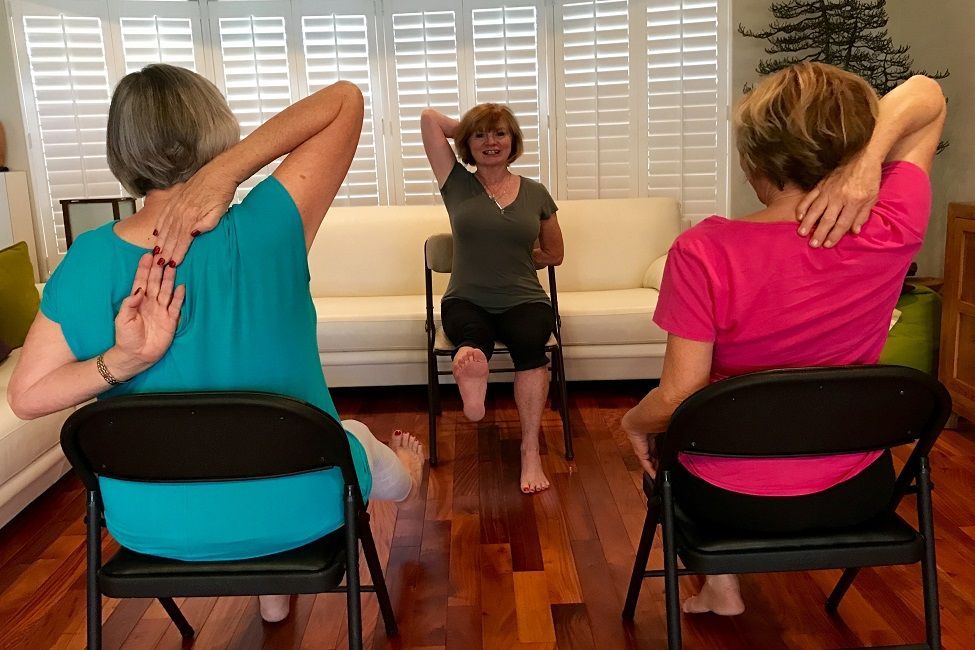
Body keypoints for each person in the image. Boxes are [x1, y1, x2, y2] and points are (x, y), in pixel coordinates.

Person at [7, 64, 424, 624]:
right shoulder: (271, 223)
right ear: (216, 132)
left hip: (151, 521)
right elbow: (344, 100)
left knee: (282, 441)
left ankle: (273, 599)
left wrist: (120, 362)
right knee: (350, 438)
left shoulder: (86, 260)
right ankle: (407, 474)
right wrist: (231, 169)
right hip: (298, 502)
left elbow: (26, 396)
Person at [622, 63, 946, 616]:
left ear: (754, 160)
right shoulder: (891, 221)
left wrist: (628, 423)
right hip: (855, 492)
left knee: (665, 442)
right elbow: (928, 96)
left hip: (729, 503)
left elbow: (678, 396)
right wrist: (867, 160)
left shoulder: (704, 252)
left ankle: (720, 588)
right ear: (852, 149)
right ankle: (722, 591)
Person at [420, 104, 564, 494]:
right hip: (467, 297)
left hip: (523, 298)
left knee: (531, 341)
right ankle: (472, 371)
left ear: (514, 140)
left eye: (500, 133)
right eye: (480, 135)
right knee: (470, 332)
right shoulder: (456, 183)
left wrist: (514, 258)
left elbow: (554, 254)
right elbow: (429, 118)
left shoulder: (536, 193)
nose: (490, 142)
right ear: (466, 142)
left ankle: (530, 449)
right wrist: (467, 127)